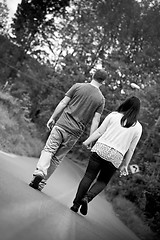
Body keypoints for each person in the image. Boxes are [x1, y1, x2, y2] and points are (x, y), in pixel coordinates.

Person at [29, 69, 107, 191]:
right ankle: (41, 182)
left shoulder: (78, 86)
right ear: (103, 81)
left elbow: (63, 103)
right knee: (57, 158)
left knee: (49, 149)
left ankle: (40, 171)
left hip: (61, 124)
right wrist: (91, 139)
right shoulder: (101, 99)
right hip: (75, 132)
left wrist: (52, 117)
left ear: (93, 75)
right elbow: (95, 121)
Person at [70, 96, 142, 215]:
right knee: (102, 181)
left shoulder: (113, 115)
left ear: (126, 104)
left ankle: (75, 205)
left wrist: (87, 142)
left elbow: (99, 131)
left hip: (100, 148)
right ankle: (87, 198)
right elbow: (131, 149)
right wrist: (125, 165)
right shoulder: (138, 128)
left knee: (88, 176)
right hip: (116, 156)